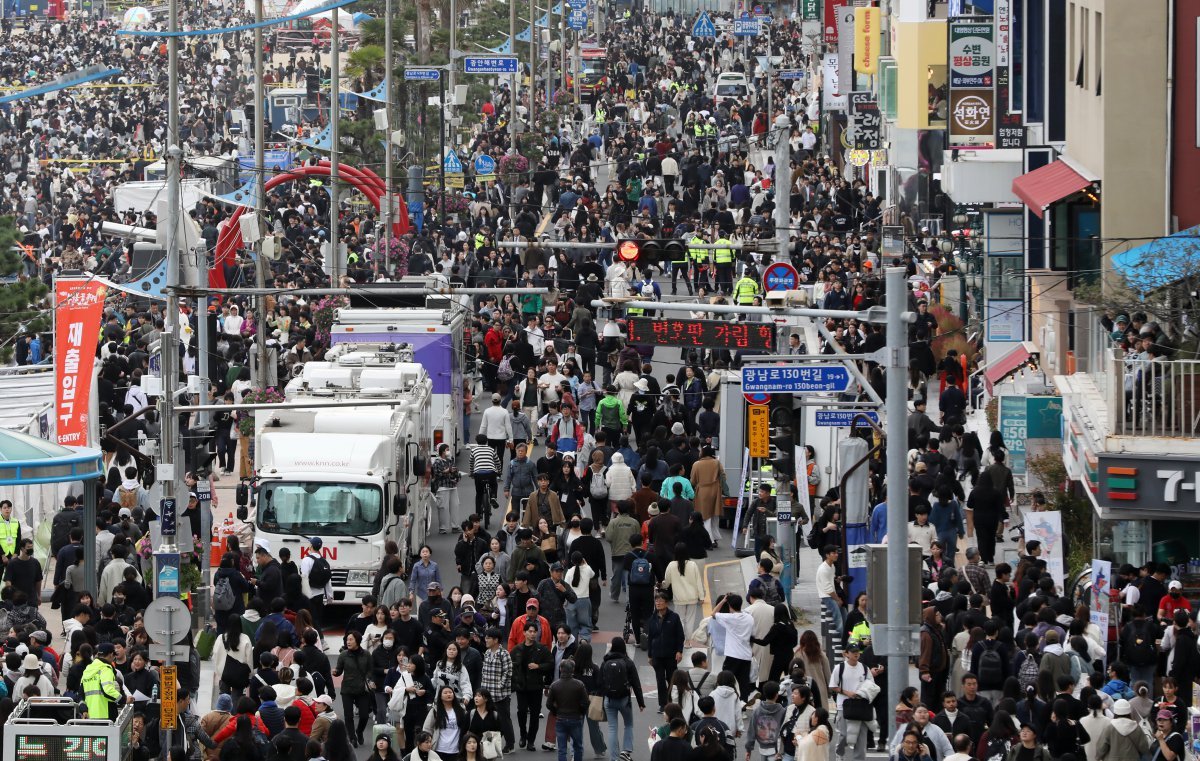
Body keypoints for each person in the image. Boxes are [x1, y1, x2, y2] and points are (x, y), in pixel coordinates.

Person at [601, 636, 645, 761]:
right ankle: (626, 751)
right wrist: (641, 703)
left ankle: (613, 758)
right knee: (629, 724)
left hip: (608, 700)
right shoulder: (628, 662)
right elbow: (636, 683)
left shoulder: (605, 661)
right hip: (624, 699)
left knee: (612, 728)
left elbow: (600, 682)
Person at [511, 622, 553, 750]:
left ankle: (531, 741)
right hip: (521, 687)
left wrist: (538, 666)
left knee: (535, 714)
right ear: (524, 633)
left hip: (536, 686)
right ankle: (523, 735)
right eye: (530, 631)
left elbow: (550, 664)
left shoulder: (542, 648)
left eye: (534, 631)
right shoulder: (517, 649)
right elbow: (510, 667)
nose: (532, 634)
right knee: (521, 711)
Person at [646, 593, 686, 712]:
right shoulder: (652, 618)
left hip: (670, 654)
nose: (658, 603)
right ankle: (663, 704)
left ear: (666, 603)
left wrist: (679, 651)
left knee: (672, 679)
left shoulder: (674, 617)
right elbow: (650, 637)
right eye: (656, 601)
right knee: (660, 680)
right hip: (657, 655)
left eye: (661, 600)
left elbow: (680, 635)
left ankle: (674, 701)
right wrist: (649, 655)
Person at [547, 660, 589, 761]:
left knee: (562, 749)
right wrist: (581, 712)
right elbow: (586, 702)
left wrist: (556, 712)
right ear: (573, 670)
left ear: (560, 669)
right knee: (578, 746)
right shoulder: (579, 685)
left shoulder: (554, 685)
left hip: (561, 718)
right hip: (575, 718)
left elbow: (549, 704)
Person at [423, 686, 468, 761]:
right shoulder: (435, 710)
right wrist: (428, 742)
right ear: (440, 696)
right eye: (445, 693)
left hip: (456, 749)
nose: (448, 694)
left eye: (450, 692)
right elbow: (427, 728)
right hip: (439, 748)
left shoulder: (461, 709)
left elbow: (466, 725)